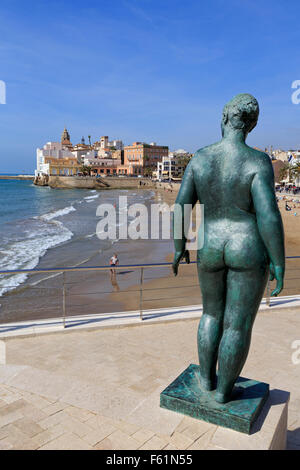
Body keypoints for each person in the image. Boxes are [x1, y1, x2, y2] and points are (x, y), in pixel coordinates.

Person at [173, 94, 285, 404]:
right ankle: (223, 393)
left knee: (210, 314)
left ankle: (206, 379)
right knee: (237, 324)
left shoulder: (200, 158)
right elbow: (267, 215)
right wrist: (279, 260)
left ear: (224, 117)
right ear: (252, 125)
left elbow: (182, 204)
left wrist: (178, 244)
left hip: (210, 245)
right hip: (247, 247)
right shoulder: (257, 161)